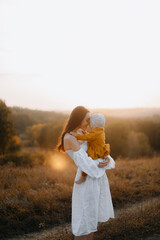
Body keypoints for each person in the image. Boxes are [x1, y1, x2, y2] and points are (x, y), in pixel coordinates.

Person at [56, 106, 115, 240]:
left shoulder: (84, 133)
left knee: (91, 221)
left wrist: (106, 159)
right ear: (78, 119)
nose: (90, 123)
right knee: (84, 223)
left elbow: (98, 150)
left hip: (96, 179)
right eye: (87, 120)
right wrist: (102, 164)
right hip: (86, 181)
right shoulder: (70, 138)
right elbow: (87, 164)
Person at [70, 113, 113, 184]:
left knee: (86, 160)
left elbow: (89, 137)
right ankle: (83, 176)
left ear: (93, 124)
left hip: (96, 151)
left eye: (89, 122)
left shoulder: (96, 133)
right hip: (100, 149)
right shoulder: (100, 130)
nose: (89, 124)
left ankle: (83, 177)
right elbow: (91, 136)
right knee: (86, 161)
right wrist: (85, 133)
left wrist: (76, 135)